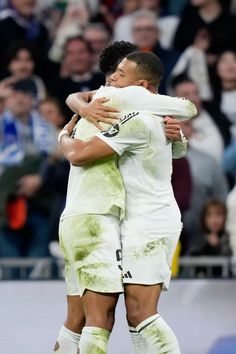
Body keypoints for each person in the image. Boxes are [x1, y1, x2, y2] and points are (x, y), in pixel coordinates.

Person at [53, 41, 193, 354]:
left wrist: (64, 131)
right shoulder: (125, 111)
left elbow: (185, 110)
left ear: (142, 87)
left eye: (118, 75)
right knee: (113, 318)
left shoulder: (137, 118)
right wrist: (79, 103)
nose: (110, 83)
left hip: (143, 222)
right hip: (106, 219)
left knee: (129, 315)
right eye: (111, 75)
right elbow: (82, 98)